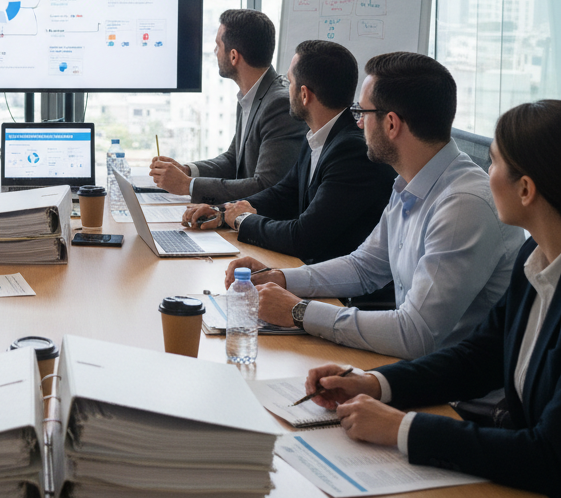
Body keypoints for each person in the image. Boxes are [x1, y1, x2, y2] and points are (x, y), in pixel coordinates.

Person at [301, 99, 561, 498]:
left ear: (525, 189)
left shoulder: (469, 205)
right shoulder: (536, 260)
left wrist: (403, 428)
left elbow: (548, 455)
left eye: (492, 163)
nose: (484, 174)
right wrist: (374, 383)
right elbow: (480, 356)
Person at [223, 51, 525, 357]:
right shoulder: (410, 182)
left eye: (362, 113)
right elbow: (364, 267)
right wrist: (280, 277)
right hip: (415, 369)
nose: (357, 124)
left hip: (456, 398)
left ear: (391, 124)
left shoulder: (463, 205)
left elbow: (415, 334)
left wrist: (299, 311)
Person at [184, 39, 395, 264]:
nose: (285, 87)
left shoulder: (351, 151)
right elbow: (283, 195)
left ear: (304, 95)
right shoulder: (317, 136)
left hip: (341, 292)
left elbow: (303, 237)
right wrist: (222, 212)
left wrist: (242, 220)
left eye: (289, 81)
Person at [148, 8, 306, 202]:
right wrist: (187, 170)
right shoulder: (251, 95)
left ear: (233, 56)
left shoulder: (279, 104)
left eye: (217, 45)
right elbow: (233, 160)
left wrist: (187, 185)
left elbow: (266, 185)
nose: (215, 52)